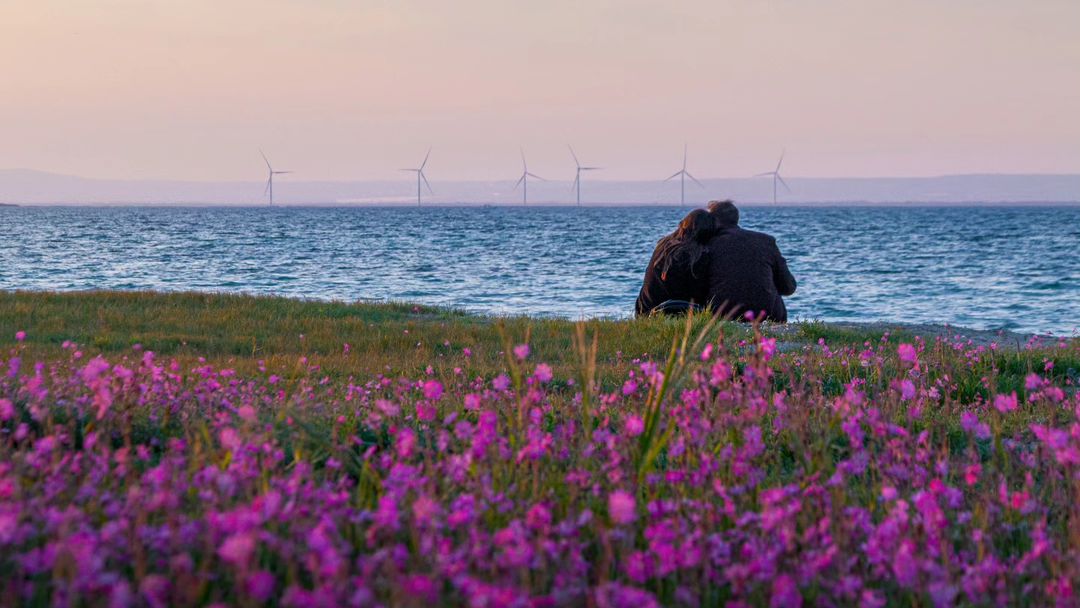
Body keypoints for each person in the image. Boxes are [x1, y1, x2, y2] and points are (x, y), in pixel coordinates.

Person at [704, 200, 796, 322]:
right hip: (769, 317)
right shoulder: (766, 241)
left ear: (713, 221)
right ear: (736, 218)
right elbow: (788, 287)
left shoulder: (707, 245)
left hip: (722, 317)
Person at [635, 208, 716, 317]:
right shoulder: (697, 256)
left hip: (644, 312)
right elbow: (698, 295)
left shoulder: (663, 245)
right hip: (671, 313)